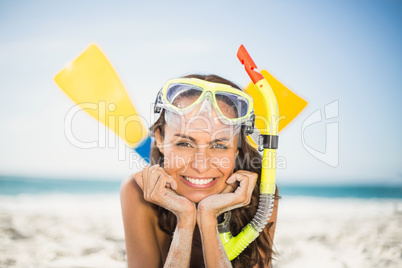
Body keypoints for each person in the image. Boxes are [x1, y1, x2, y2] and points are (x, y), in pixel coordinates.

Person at [120, 74, 279, 268]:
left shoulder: (260, 196)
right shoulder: (137, 191)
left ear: (237, 147)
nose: (200, 165)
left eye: (219, 146)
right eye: (185, 143)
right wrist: (185, 220)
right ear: (160, 139)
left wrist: (209, 220)